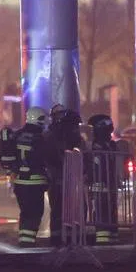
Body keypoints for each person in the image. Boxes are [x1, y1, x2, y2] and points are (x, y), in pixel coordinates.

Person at [4, 107, 49, 246]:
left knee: (25, 212)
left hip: (19, 182)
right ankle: (28, 243)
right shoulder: (41, 137)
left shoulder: (16, 135)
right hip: (36, 182)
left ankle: (24, 240)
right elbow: (46, 158)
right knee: (35, 212)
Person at [44, 104, 84, 245]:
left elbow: (82, 152)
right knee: (58, 209)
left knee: (70, 209)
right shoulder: (51, 136)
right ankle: (59, 238)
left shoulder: (66, 135)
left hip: (69, 178)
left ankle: (70, 238)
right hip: (57, 178)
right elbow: (52, 156)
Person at [87, 114, 120, 245]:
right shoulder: (98, 146)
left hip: (107, 184)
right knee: (103, 210)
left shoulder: (106, 145)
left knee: (109, 210)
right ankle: (104, 238)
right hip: (101, 184)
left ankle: (110, 236)